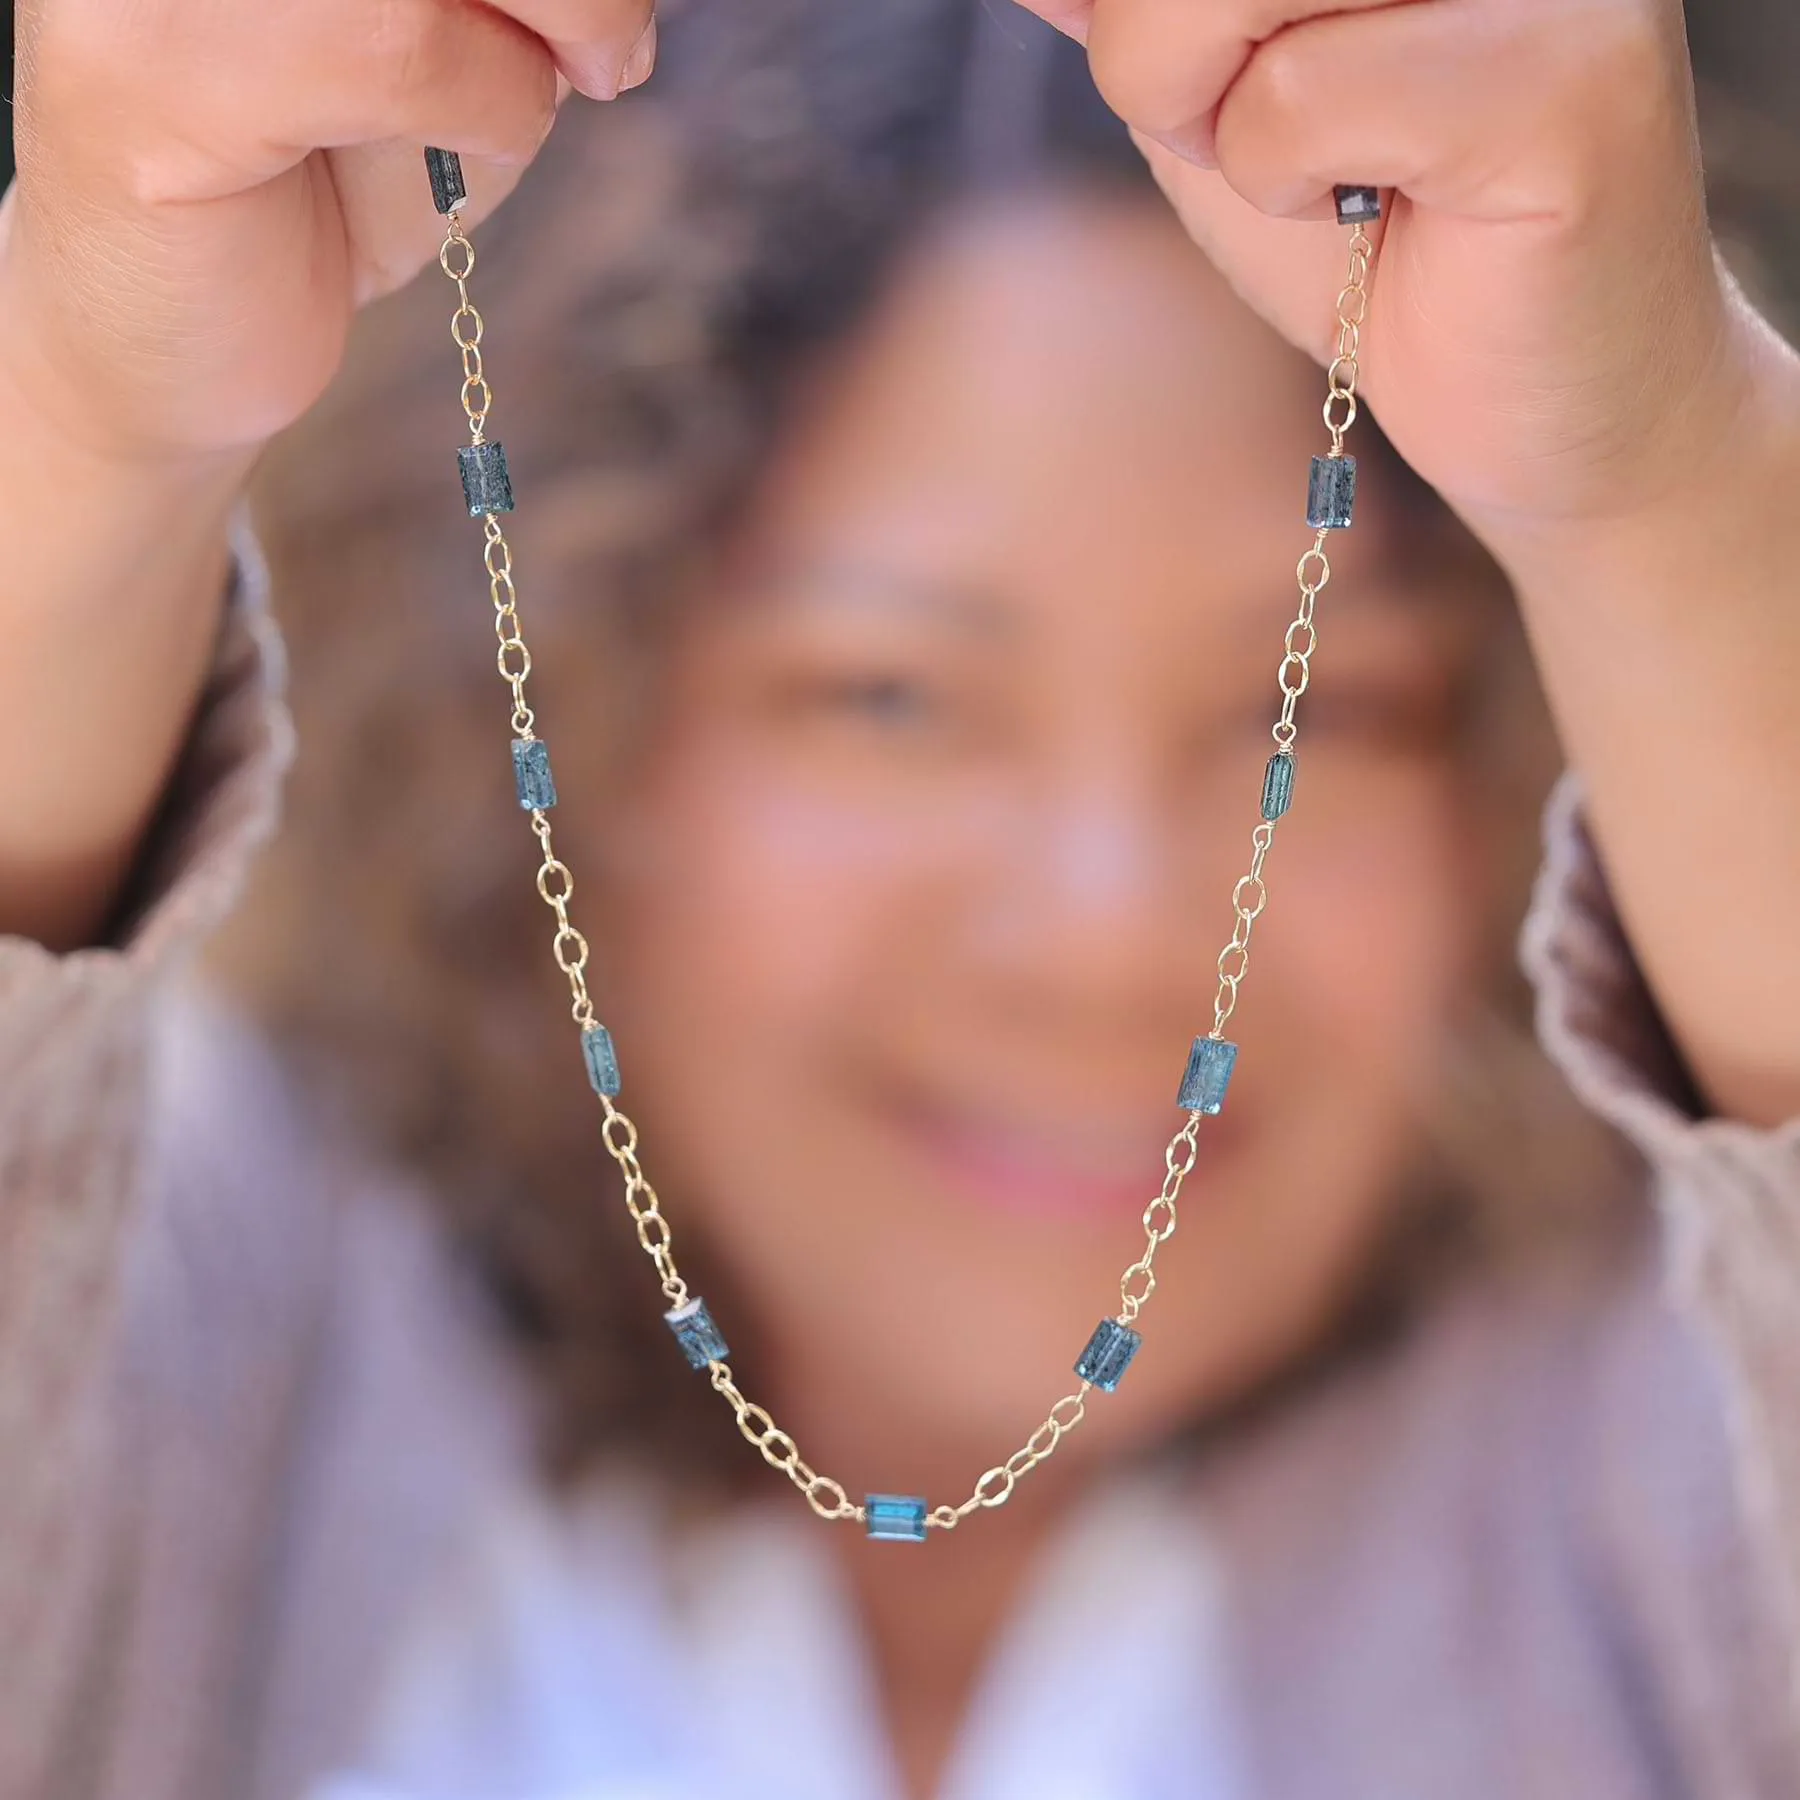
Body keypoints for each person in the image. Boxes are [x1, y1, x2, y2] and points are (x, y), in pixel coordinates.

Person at [3, 0, 1799, 1796]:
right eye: (891, 697)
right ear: (551, 696)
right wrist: (93, 417)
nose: (1109, 935)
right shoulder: (220, 1416)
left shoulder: (1646, 1505)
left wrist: (1655, 479)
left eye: (1311, 708)